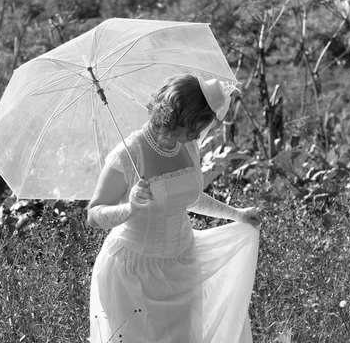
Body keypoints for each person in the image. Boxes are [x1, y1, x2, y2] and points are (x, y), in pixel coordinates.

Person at [87, 74, 261, 343]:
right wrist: (130, 208)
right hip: (132, 274)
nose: (195, 135)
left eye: (198, 129)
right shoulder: (128, 154)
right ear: (172, 117)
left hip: (183, 266)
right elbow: (94, 214)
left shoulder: (188, 144)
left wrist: (236, 213)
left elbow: (189, 197)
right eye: (191, 128)